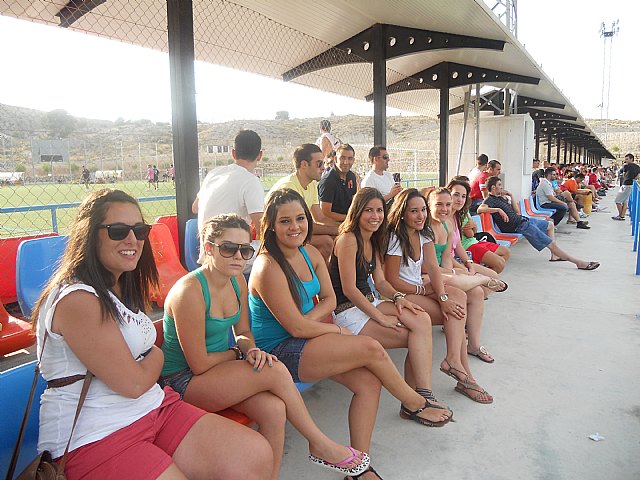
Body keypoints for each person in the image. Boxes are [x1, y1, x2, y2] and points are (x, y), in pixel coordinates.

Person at [32, 189, 272, 479]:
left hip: (155, 408)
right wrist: (154, 356)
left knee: (254, 455)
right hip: (96, 433)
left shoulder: (120, 287)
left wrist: (147, 360)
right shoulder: (76, 299)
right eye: (118, 231)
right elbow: (132, 383)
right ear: (90, 234)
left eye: (139, 230)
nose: (132, 240)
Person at [250, 189, 451, 479]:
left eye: (299, 219)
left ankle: (358, 466)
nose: (295, 227)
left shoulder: (309, 253)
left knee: (369, 382)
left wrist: (311, 321)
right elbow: (294, 328)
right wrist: (333, 328)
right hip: (279, 350)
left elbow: (329, 300)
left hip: (308, 335)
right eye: (284, 221)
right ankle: (415, 402)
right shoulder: (268, 265)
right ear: (270, 224)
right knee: (370, 348)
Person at [160, 214, 369, 480]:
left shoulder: (236, 280)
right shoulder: (189, 291)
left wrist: (250, 350)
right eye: (228, 248)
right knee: (273, 370)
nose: (238, 256)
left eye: (245, 250)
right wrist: (238, 353)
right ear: (209, 248)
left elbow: (244, 333)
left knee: (274, 409)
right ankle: (319, 443)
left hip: (218, 370)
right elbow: (199, 364)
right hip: (183, 382)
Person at [329, 187, 454, 420]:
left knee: (421, 319)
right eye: (369, 210)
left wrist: (399, 298)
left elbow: (382, 282)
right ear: (357, 211)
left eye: (379, 210)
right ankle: (414, 402)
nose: (375, 216)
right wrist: (381, 318)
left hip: (371, 302)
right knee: (415, 338)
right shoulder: (348, 240)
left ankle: (424, 394)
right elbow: (349, 289)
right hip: (348, 310)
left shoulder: (373, 239)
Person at [384, 188, 493, 403]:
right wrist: (426, 291)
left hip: (419, 288)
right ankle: (464, 376)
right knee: (455, 313)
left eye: (423, 210)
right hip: (399, 293)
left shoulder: (423, 232)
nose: (421, 215)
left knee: (456, 298)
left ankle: (454, 361)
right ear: (402, 213)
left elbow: (433, 267)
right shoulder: (397, 237)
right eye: (414, 211)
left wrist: (442, 297)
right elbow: (392, 281)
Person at [479, 176, 600, 270]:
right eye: (499, 185)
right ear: (493, 187)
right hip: (519, 226)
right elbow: (480, 209)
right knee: (551, 244)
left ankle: (555, 255)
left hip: (523, 221)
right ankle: (579, 263)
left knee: (550, 225)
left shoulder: (501, 198)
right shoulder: (490, 200)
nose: (502, 187)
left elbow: (516, 211)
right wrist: (498, 210)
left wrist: (510, 196)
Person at [192, 129, 264, 269]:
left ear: (233, 153)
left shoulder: (214, 173)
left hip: (207, 253)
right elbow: (262, 228)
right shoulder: (251, 181)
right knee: (281, 250)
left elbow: (195, 207)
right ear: (260, 155)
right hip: (229, 255)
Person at [268, 143, 339, 261]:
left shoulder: (311, 184)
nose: (323, 167)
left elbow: (320, 218)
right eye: (319, 163)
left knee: (336, 237)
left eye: (324, 163)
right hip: (280, 236)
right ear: (304, 164)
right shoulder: (289, 188)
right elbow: (300, 225)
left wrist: (344, 227)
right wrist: (337, 229)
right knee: (326, 241)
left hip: (294, 230)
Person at [447, 178, 511, 274]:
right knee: (498, 265)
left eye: (464, 196)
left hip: (472, 243)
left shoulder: (460, 213)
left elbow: (474, 232)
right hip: (467, 246)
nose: (460, 199)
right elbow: (470, 234)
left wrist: (474, 225)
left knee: (505, 254)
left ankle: (482, 276)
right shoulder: (447, 217)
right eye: (456, 194)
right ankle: (482, 277)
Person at [318, 143, 359, 223]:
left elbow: (354, 201)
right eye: (342, 158)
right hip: (332, 223)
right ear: (335, 159)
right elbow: (325, 213)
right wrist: (350, 218)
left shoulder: (351, 176)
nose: (346, 162)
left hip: (348, 219)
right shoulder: (328, 181)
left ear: (353, 161)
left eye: (350, 158)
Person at [612, 153, 640, 221]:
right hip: (631, 185)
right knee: (625, 201)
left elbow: (623, 173)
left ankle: (621, 215)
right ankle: (622, 215)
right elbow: (637, 176)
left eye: (627, 159)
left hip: (626, 184)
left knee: (617, 201)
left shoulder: (626, 165)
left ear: (631, 159)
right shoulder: (638, 167)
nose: (626, 160)